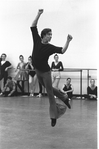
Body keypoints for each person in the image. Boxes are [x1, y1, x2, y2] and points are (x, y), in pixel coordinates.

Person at [30, 9, 73, 127]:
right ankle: (64, 97)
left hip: (45, 73)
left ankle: (54, 116)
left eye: (51, 35)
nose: (51, 36)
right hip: (37, 71)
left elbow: (62, 51)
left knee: (49, 93)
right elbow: (33, 26)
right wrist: (38, 14)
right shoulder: (37, 40)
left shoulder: (50, 47)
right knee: (49, 89)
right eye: (49, 34)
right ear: (43, 35)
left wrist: (67, 41)